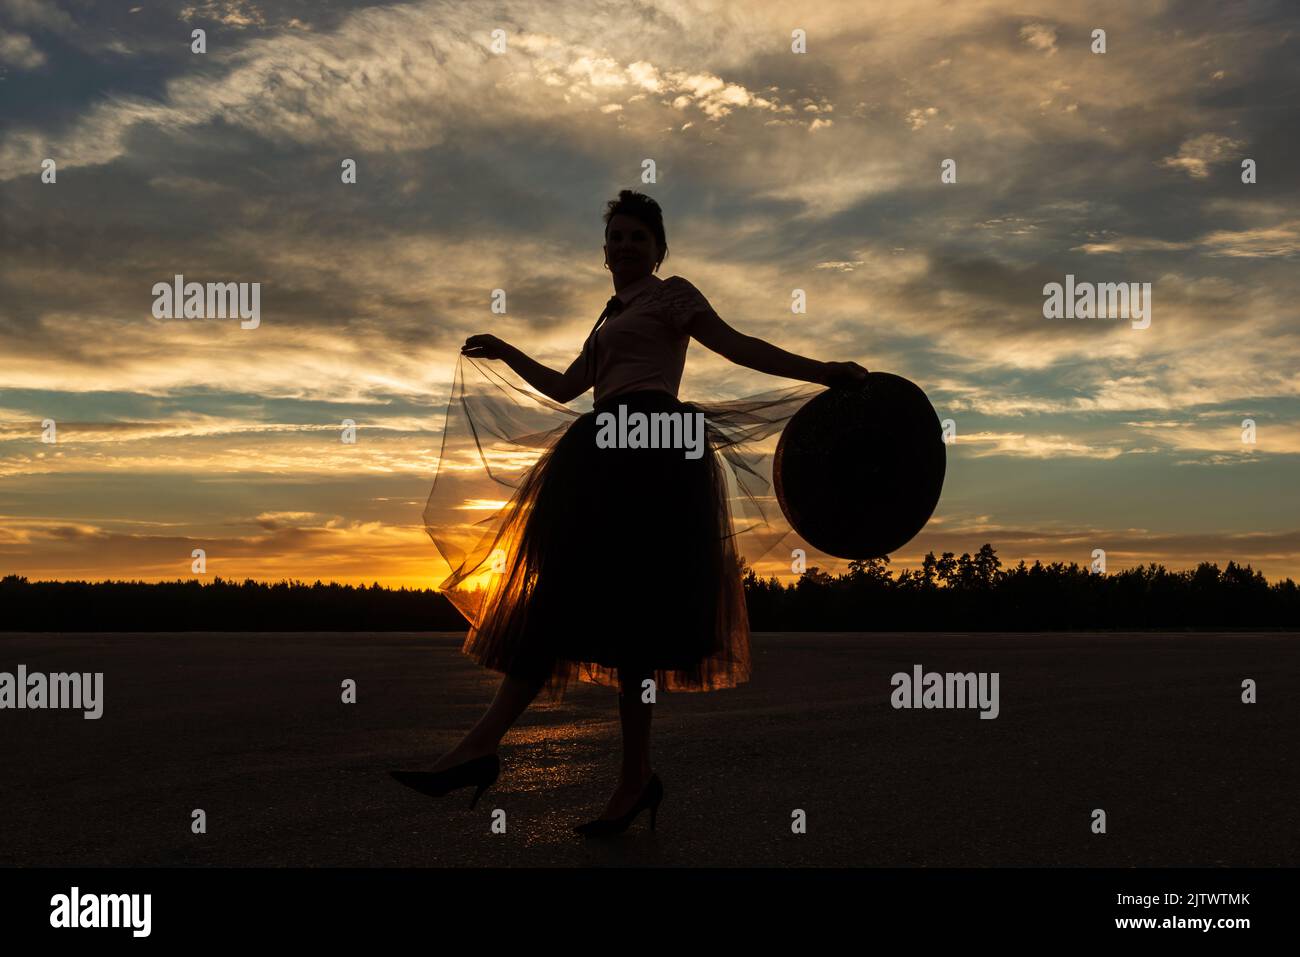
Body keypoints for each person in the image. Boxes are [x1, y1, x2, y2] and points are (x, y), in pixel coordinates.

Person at [397, 189, 867, 836]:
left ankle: (612, 773)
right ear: (605, 251)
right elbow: (566, 387)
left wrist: (825, 371)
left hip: (654, 455)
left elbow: (737, 345)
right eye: (615, 237)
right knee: (562, 601)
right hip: (601, 451)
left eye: (637, 237)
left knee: (632, 625)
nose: (624, 246)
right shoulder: (607, 318)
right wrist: (507, 351)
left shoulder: (673, 295)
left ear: (658, 249)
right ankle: (529, 755)